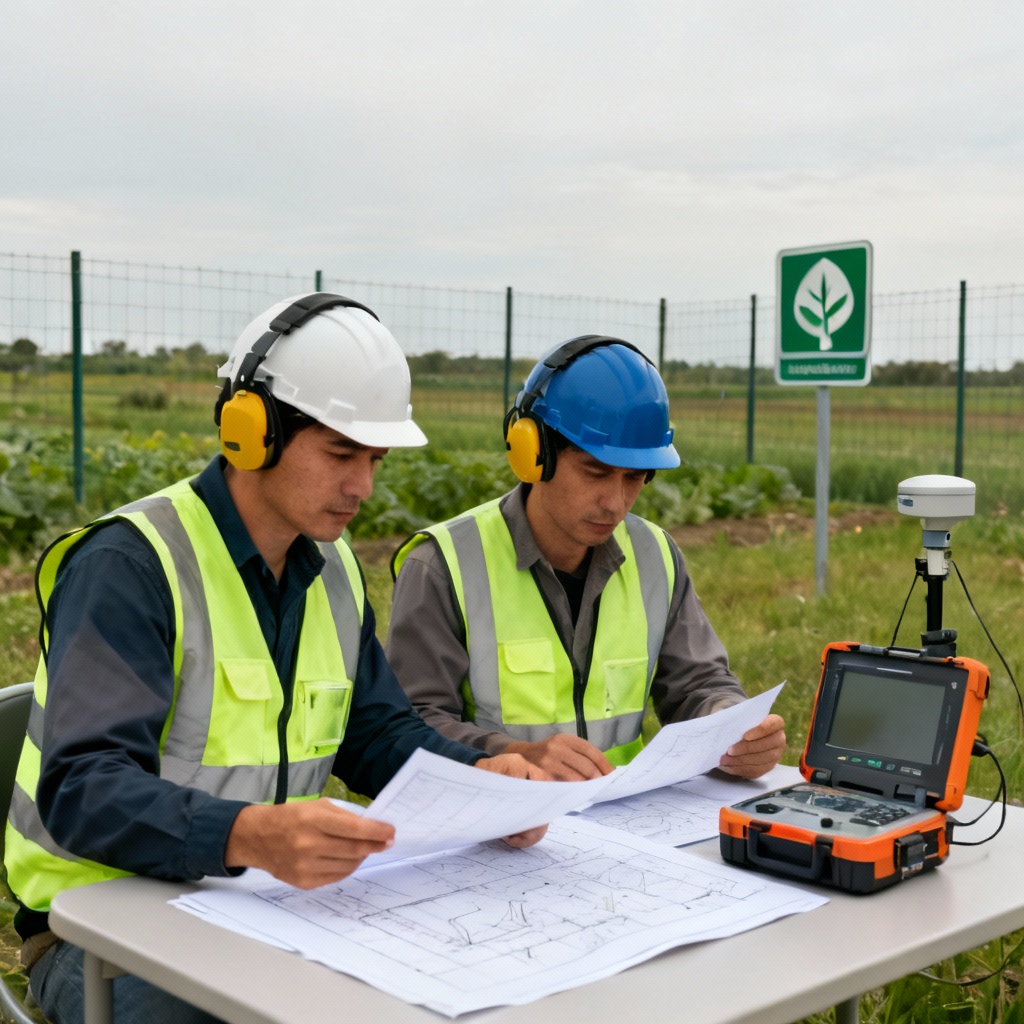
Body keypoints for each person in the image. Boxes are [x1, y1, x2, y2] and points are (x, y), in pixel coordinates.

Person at [4, 293, 546, 1024]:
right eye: (341, 454)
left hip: (256, 909)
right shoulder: (131, 566)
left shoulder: (334, 570)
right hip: (97, 933)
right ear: (251, 433)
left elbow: (377, 733)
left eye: (375, 460)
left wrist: (478, 779)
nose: (363, 487)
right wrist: (247, 835)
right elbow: (81, 789)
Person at [386, 334, 786, 783]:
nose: (615, 503)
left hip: (619, 817)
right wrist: (515, 755)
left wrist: (732, 726)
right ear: (534, 453)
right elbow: (410, 725)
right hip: (495, 818)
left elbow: (698, 684)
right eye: (595, 472)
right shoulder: (443, 565)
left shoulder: (656, 557)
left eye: (634, 478)